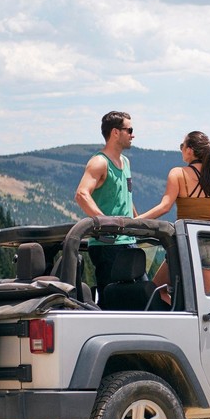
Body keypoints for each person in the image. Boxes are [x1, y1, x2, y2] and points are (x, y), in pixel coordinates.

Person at [140, 131, 210, 301]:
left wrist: (137, 221)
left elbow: (165, 207)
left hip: (184, 242)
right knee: (202, 299)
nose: (181, 150)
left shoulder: (178, 174)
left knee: (158, 289)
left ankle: (176, 315)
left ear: (190, 150)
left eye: (182, 146)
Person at [75, 111, 140, 304]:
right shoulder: (99, 162)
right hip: (108, 245)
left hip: (128, 241)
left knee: (138, 296)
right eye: (129, 130)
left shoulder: (125, 162)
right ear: (115, 133)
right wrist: (106, 224)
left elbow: (126, 197)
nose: (132, 134)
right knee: (113, 299)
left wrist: (138, 223)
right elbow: (81, 195)